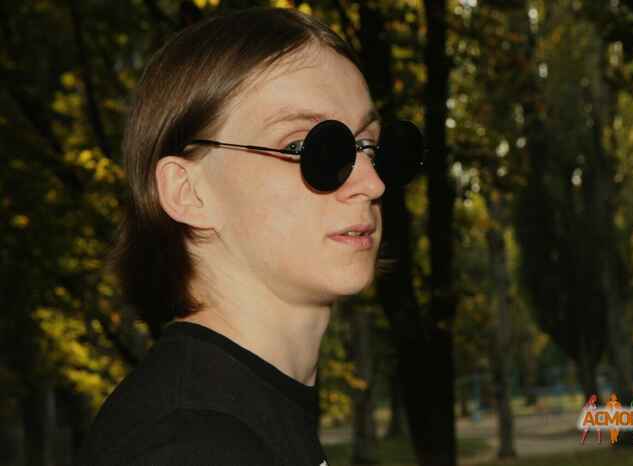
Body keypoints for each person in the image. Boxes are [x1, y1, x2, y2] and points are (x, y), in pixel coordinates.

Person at [77, 6, 423, 466]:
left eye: (370, 147)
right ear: (189, 192)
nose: (371, 183)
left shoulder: (240, 414)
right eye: (304, 146)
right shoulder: (188, 445)